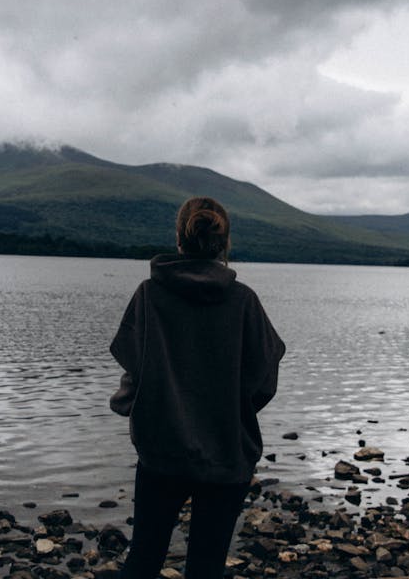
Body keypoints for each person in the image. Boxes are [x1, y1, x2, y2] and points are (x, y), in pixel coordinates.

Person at [109, 196, 286, 579]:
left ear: (179, 238)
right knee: (206, 566)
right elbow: (264, 378)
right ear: (224, 244)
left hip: (161, 450)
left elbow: (133, 370)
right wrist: (231, 410)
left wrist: (134, 405)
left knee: (143, 559)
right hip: (226, 453)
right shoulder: (243, 301)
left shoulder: (149, 294)